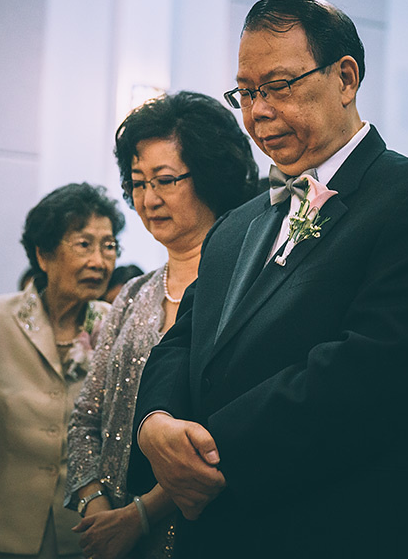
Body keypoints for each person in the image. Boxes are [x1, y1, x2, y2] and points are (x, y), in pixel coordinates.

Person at [128, 0, 408, 559]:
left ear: (345, 79)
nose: (256, 111)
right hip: (213, 535)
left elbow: (374, 369)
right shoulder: (238, 224)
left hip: (333, 530)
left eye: (279, 86)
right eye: (246, 92)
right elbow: (184, 343)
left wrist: (213, 449)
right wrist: (155, 424)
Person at [65, 91, 258, 559]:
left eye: (165, 180)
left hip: (208, 534)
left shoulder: (249, 289)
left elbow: (238, 431)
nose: (148, 198)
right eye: (137, 182)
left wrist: (141, 515)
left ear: (210, 177)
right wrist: (97, 509)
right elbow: (87, 416)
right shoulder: (132, 295)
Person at [0, 183, 124, 559]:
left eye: (109, 246)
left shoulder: (120, 324)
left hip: (87, 538)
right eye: (84, 244)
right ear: (43, 254)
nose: (100, 262)